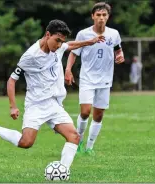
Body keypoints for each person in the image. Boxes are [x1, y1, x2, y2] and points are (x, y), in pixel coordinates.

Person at [0, 19, 105, 169]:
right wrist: (13, 106)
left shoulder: (58, 46)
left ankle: (62, 171)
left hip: (54, 104)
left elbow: (69, 45)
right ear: (47, 35)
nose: (59, 45)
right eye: (57, 40)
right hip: (36, 105)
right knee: (25, 143)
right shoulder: (30, 56)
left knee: (74, 137)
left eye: (61, 41)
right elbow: (11, 81)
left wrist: (89, 42)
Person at [64, 2, 125, 155]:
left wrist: (120, 55)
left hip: (105, 80)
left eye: (104, 15)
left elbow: (118, 49)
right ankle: (78, 142)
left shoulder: (114, 34)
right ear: (93, 16)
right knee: (85, 112)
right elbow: (73, 53)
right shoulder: (84, 34)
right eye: (98, 15)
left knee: (98, 115)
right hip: (87, 79)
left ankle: (89, 147)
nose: (101, 18)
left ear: (108, 17)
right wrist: (68, 69)